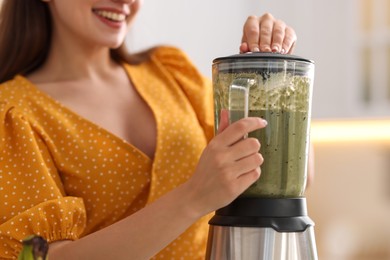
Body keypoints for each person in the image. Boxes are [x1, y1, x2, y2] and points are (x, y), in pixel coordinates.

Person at [0, 0, 297, 259]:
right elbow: (37, 258)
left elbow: (290, 179)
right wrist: (193, 197)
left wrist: (276, 66)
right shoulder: (12, 112)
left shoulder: (172, 72)